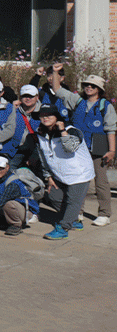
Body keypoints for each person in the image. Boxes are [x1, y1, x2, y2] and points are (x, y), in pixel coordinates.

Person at [47, 70, 115, 227]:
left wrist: (111, 150)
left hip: (98, 148)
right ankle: (78, 212)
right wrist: (56, 72)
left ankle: (104, 214)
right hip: (77, 148)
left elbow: (111, 129)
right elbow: (57, 90)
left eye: (93, 85)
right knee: (77, 180)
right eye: (87, 85)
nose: (89, 87)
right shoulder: (77, 101)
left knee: (101, 181)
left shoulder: (105, 106)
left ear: (99, 89)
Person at [31, 106, 95, 240]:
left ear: (57, 117)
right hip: (59, 174)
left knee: (73, 201)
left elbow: (70, 148)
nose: (45, 117)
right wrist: (48, 176)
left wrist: (62, 130)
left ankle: (64, 227)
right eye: (42, 115)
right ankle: (73, 219)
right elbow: (44, 156)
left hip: (79, 173)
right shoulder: (42, 134)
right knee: (53, 196)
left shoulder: (71, 130)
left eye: (50, 115)